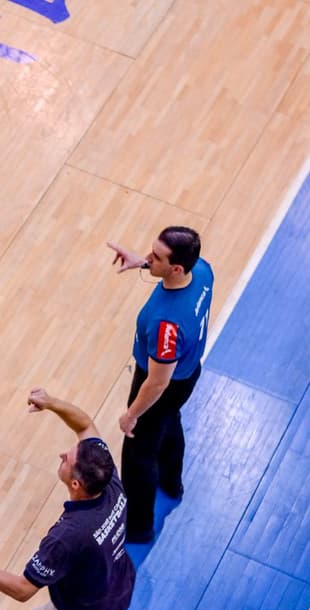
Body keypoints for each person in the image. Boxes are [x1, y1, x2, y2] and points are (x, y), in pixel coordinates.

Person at [0, 389, 135, 610]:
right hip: (118, 588)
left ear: (76, 484)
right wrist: (51, 403)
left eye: (67, 459)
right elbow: (85, 425)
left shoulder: (68, 536)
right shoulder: (108, 481)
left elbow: (23, 589)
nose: (62, 454)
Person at [107, 226, 212, 543]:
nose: (149, 256)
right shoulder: (202, 270)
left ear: (176, 268)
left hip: (164, 383)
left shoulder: (167, 325)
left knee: (138, 454)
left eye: (156, 256)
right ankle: (172, 482)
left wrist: (132, 415)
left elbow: (157, 382)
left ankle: (138, 528)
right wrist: (143, 263)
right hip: (189, 372)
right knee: (169, 423)